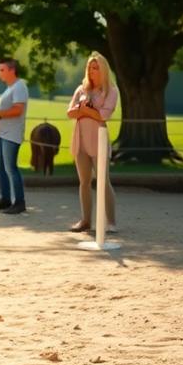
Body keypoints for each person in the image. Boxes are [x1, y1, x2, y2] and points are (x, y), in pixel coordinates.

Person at [66, 52, 119, 233]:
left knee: (103, 181)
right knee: (84, 181)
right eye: (89, 67)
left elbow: (103, 116)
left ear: (103, 70)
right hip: (80, 140)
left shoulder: (111, 90)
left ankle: (111, 222)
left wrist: (85, 111)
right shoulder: (81, 89)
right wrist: (87, 111)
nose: (92, 71)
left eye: (95, 67)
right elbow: (70, 112)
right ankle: (85, 220)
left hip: (99, 139)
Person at [0, 57, 28, 214]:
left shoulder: (19, 87)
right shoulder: (10, 89)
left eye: (2, 70)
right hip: (3, 134)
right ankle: (6, 199)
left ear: (12, 70)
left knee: (10, 168)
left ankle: (19, 202)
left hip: (12, 135)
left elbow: (18, 110)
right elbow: (8, 109)